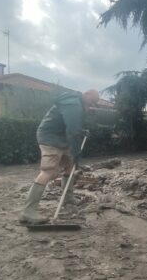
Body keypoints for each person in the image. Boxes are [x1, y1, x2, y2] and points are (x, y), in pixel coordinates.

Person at [19, 89, 100, 224]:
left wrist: (81, 132)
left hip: (62, 138)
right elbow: (73, 130)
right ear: (86, 95)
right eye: (92, 101)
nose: (92, 105)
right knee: (48, 171)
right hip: (50, 138)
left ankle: (68, 199)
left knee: (70, 165)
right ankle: (28, 211)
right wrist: (76, 152)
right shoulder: (73, 104)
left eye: (95, 103)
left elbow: (72, 126)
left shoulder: (78, 103)